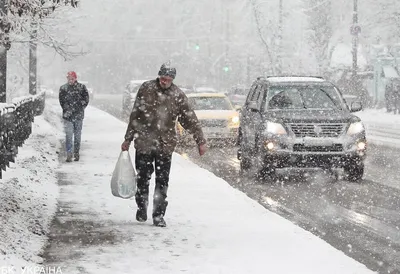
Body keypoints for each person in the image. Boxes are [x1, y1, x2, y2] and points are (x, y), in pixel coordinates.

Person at [121, 63, 207, 227]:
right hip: (144, 143)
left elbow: (189, 119)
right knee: (142, 179)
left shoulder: (177, 95)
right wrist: (128, 138)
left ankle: (158, 215)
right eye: (163, 77)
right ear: (159, 75)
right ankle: (142, 206)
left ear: (172, 79)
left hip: (164, 146)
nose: (165, 81)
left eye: (168, 79)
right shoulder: (146, 89)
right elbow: (136, 115)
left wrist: (200, 141)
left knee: (162, 181)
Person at [59, 71, 90, 162]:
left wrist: (81, 106)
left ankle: (76, 152)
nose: (70, 80)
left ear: (75, 79)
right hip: (68, 116)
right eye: (69, 78)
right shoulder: (63, 88)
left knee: (77, 135)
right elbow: (61, 101)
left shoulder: (82, 88)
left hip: (78, 116)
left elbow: (86, 99)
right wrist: (67, 109)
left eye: (72, 78)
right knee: (68, 135)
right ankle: (69, 153)